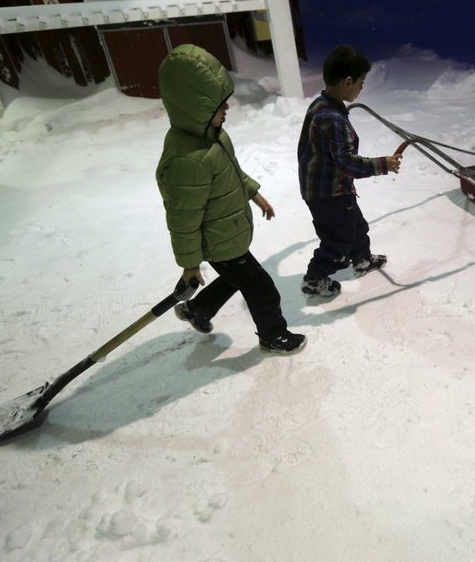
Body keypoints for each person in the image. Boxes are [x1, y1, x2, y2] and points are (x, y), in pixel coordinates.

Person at [156, 44, 305, 354]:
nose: (228, 109)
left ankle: (199, 309)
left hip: (228, 233)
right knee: (263, 289)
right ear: (196, 108)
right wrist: (189, 265)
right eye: (221, 105)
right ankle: (273, 335)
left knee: (238, 277)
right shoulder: (189, 160)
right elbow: (183, 219)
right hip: (219, 241)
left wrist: (254, 193)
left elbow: (232, 173)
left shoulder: (214, 137)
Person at [297, 45, 402, 297]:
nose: (362, 87)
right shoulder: (332, 119)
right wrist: (383, 164)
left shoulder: (322, 105)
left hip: (331, 188)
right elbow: (347, 163)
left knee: (356, 225)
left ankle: (362, 259)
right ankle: (315, 278)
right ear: (347, 82)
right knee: (338, 241)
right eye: (361, 82)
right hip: (327, 193)